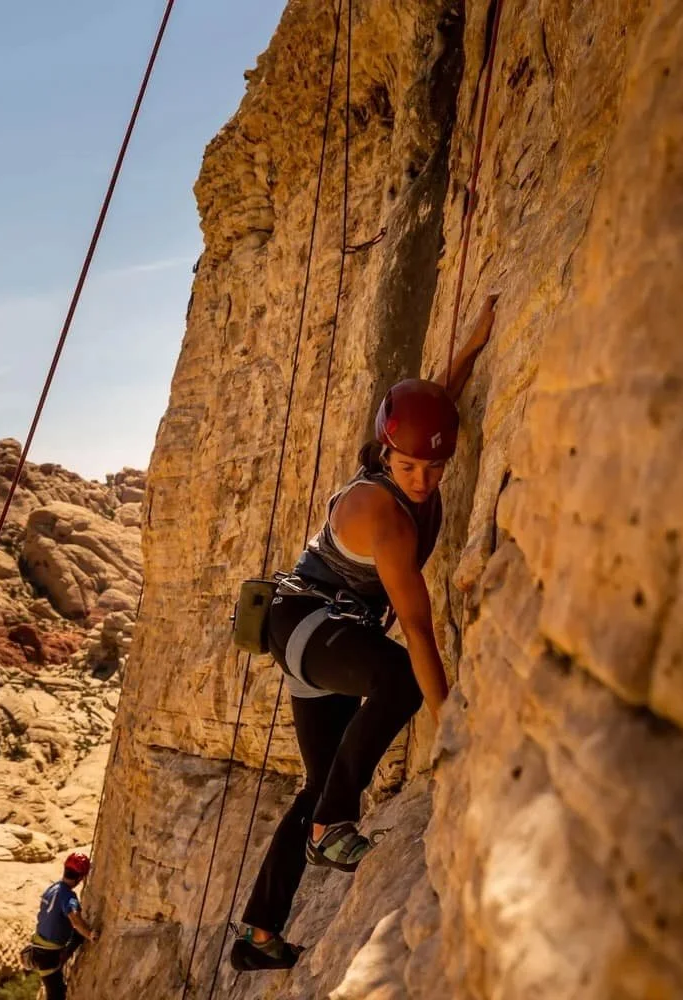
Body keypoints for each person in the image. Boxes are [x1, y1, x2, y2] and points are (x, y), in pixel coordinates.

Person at [231, 295, 499, 972]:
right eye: (409, 468)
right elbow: (417, 629)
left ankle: (259, 934)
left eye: (435, 470)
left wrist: (468, 350)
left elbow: (433, 408)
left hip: (319, 634)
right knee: (400, 678)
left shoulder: (415, 452)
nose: (423, 480)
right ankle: (331, 825)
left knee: (319, 785)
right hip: (306, 623)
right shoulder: (383, 517)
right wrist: (450, 730)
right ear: (386, 455)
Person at [28, 852, 98, 1000]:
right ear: (80, 878)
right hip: (48, 955)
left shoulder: (52, 888)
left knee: (77, 936)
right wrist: (91, 934)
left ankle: (62, 961)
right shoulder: (69, 897)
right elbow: (75, 921)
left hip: (39, 948)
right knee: (57, 995)